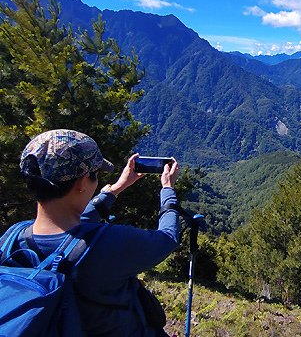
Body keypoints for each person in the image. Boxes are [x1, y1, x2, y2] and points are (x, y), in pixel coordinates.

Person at [7, 129, 181, 336]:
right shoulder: (110, 242)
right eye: (95, 174)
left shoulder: (13, 237)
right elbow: (167, 238)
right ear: (81, 183)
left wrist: (116, 188)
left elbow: (72, 229)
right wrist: (168, 190)